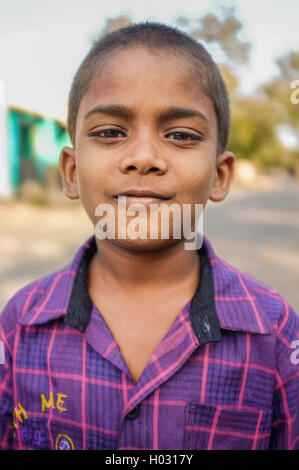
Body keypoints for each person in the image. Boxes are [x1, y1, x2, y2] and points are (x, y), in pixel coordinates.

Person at [0, 21, 298, 451]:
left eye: (180, 135)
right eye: (110, 133)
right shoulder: (20, 324)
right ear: (71, 172)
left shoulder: (276, 334)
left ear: (219, 175)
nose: (143, 158)